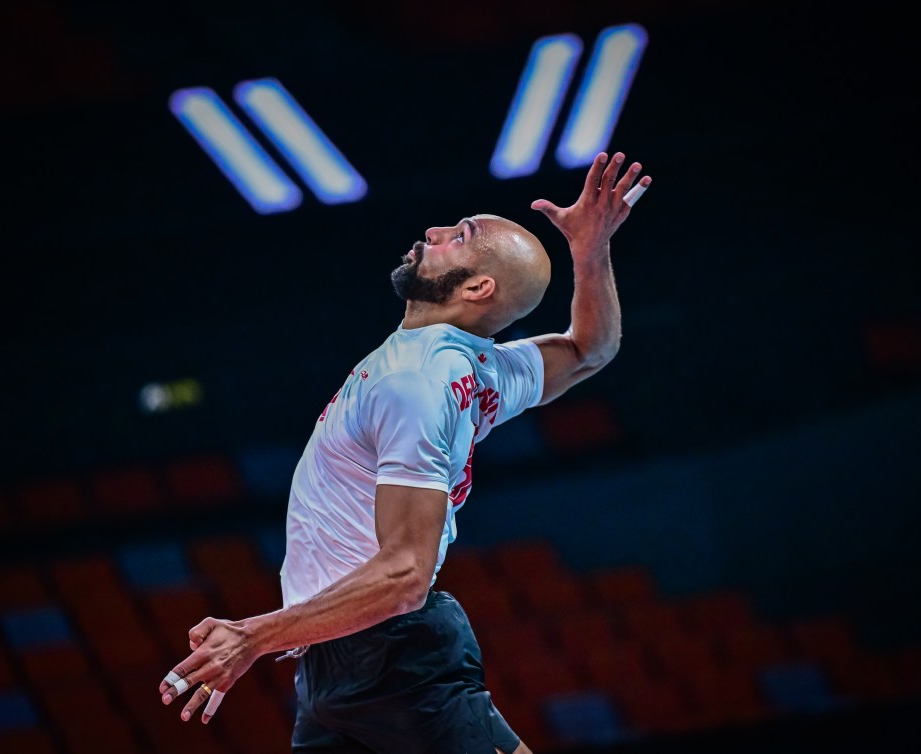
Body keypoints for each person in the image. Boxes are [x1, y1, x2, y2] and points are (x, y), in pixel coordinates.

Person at [158, 152, 652, 753]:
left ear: (477, 287)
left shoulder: (415, 380)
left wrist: (253, 636)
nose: (434, 233)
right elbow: (588, 351)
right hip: (337, 656)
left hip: (392, 654)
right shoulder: (479, 369)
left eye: (460, 236)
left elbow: (405, 577)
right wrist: (589, 247)